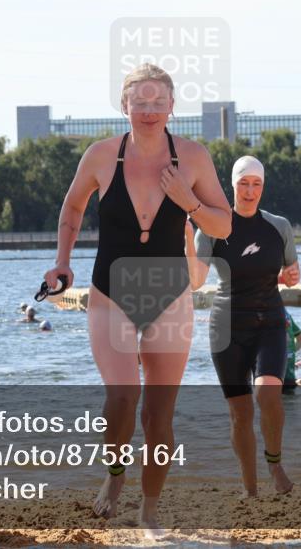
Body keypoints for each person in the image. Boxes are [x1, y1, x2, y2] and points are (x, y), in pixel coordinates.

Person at [43, 63, 231, 537]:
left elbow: (223, 224)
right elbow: (72, 206)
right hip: (112, 293)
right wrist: (62, 262)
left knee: (158, 416)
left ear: (172, 106)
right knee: (122, 400)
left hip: (170, 296)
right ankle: (114, 472)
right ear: (124, 105)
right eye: (140, 102)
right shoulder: (102, 155)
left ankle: (149, 512)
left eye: (158, 102)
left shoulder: (193, 157)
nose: (149, 111)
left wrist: (189, 201)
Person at [189, 156, 301, 497]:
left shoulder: (279, 226)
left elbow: (292, 273)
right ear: (233, 185)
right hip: (227, 328)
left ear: (263, 187)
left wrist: (292, 276)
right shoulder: (213, 228)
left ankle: (275, 463)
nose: (250, 191)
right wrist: (186, 239)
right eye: (243, 184)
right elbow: (195, 281)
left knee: (267, 394)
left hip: (270, 323)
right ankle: (250, 488)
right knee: (240, 414)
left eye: (256, 184)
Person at [282, 310, 301, 395]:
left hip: (273, 377)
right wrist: (289, 352)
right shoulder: (287, 315)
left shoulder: (263, 315)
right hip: (290, 378)